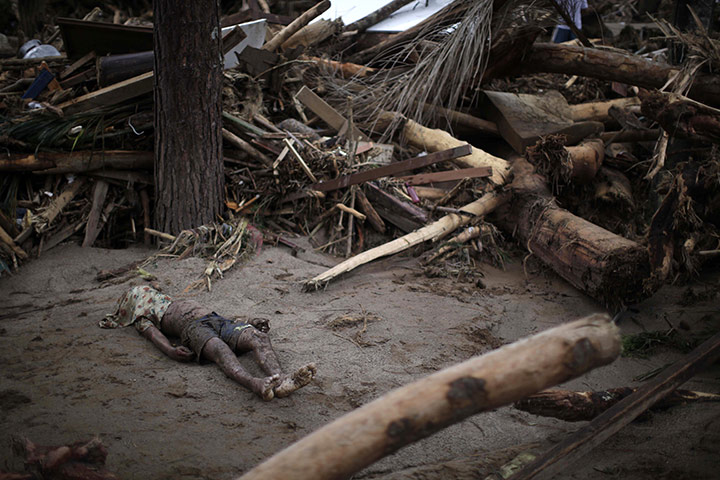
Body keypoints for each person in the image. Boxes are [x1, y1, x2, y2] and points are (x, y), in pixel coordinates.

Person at [100, 286, 316, 401]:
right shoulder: (143, 318)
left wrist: (248, 322)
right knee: (221, 351)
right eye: (142, 294)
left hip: (218, 320)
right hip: (193, 329)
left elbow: (220, 317)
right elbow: (154, 336)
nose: (149, 294)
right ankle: (256, 384)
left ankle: (282, 379)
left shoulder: (170, 301)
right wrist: (171, 350)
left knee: (258, 337)